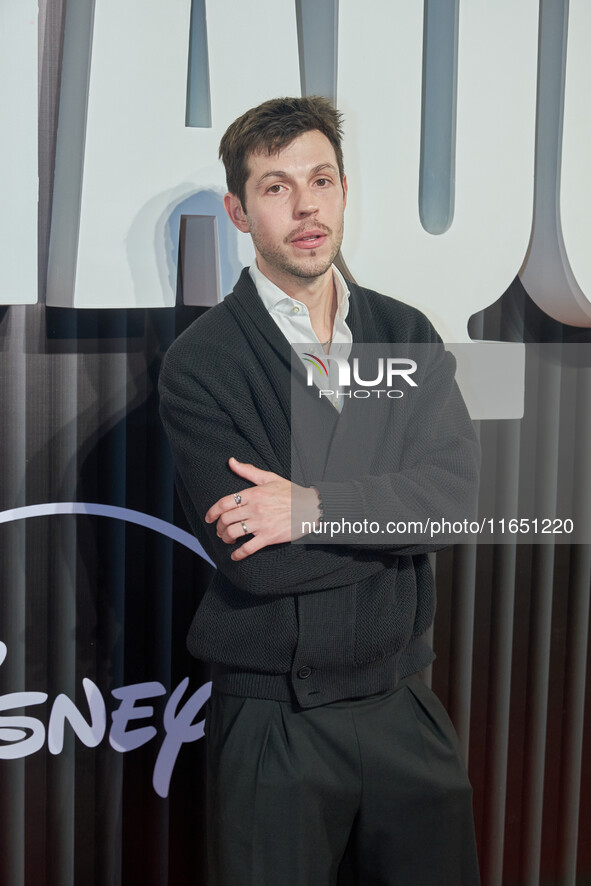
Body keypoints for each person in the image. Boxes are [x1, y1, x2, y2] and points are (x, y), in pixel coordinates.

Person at [159, 96, 481, 886]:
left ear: (342, 190)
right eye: (275, 188)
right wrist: (401, 508)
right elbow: (257, 562)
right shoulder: (202, 363)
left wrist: (310, 508)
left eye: (322, 180)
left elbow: (458, 501)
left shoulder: (404, 334)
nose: (307, 207)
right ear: (238, 211)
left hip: (404, 706)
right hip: (275, 724)